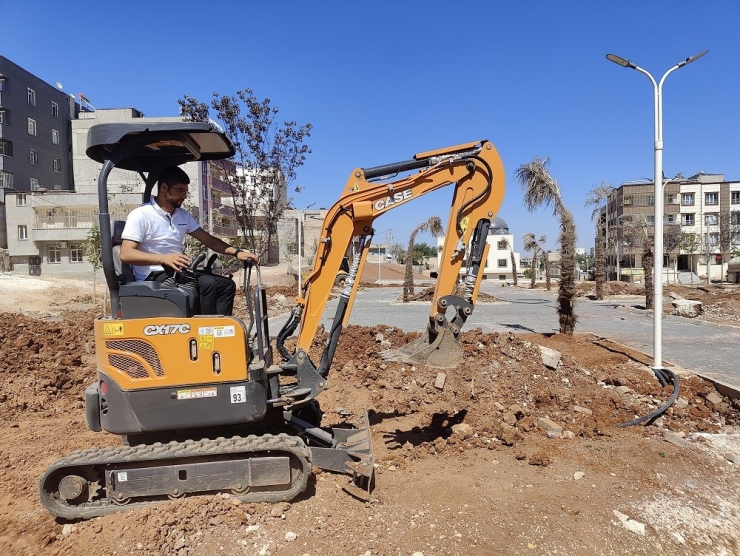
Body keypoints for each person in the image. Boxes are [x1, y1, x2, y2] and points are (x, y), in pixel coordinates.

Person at [120, 165, 258, 315]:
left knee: (226, 285)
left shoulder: (183, 215)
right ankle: (205, 332)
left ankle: (220, 330)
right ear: (164, 188)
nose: (184, 196)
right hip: (153, 276)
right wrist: (164, 259)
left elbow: (209, 240)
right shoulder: (141, 215)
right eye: (180, 191)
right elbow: (126, 254)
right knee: (208, 285)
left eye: (186, 191)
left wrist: (237, 253)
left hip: (176, 272)